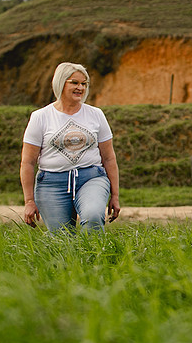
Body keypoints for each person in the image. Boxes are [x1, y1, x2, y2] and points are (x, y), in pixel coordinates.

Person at [20, 62, 121, 232]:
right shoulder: (40, 117)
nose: (80, 88)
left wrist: (115, 196)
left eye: (84, 84)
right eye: (74, 82)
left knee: (93, 216)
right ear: (60, 82)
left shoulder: (96, 115)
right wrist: (29, 201)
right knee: (61, 239)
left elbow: (109, 158)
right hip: (51, 184)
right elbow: (28, 162)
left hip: (91, 178)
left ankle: (95, 258)